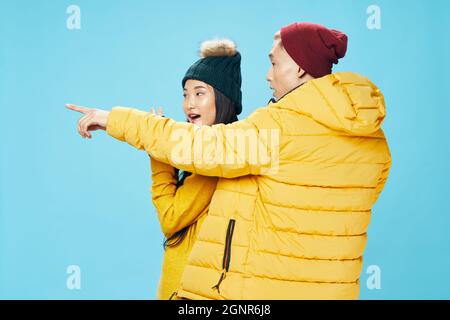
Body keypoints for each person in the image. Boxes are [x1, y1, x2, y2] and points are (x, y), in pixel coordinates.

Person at [66, 22, 392, 300]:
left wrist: (114, 120)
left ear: (299, 67)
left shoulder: (278, 128)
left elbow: (202, 149)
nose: (267, 75)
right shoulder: (373, 141)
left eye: (274, 63)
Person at [147, 39, 241, 299]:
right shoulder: (208, 152)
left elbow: (171, 218)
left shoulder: (217, 159)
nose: (189, 104)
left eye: (199, 93)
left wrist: (159, 155)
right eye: (185, 94)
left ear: (223, 98)